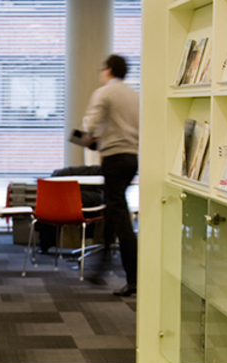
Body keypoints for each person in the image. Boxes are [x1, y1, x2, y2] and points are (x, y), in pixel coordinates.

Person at [82, 54, 139, 297]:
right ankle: (102, 265)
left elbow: (90, 126)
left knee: (121, 218)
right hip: (131, 159)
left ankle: (133, 278)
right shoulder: (134, 95)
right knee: (113, 212)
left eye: (102, 68)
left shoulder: (105, 93)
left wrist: (87, 138)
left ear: (109, 70)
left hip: (114, 159)